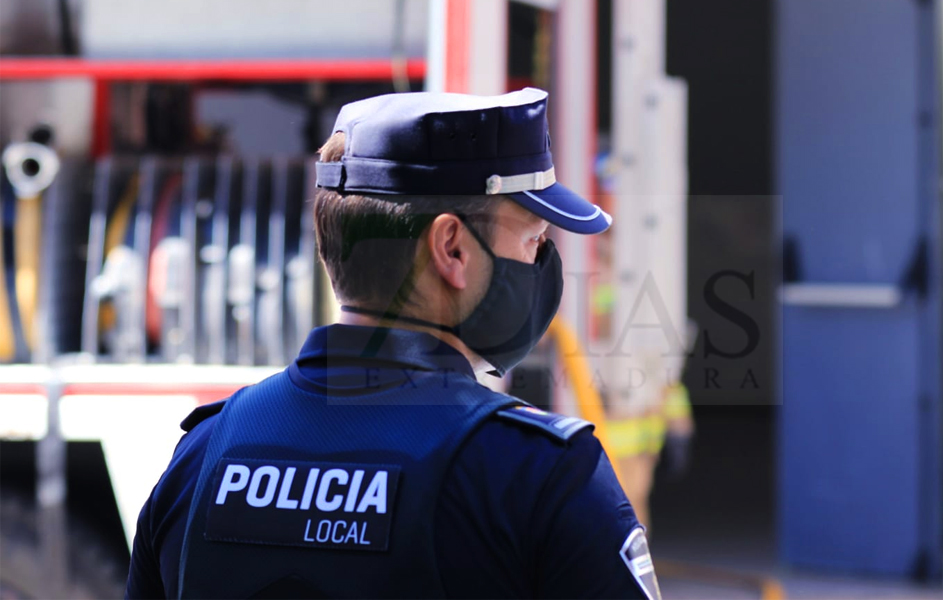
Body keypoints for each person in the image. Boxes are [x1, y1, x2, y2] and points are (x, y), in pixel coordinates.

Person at [125, 88, 662, 600]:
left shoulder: (202, 456)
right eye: (532, 240)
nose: (541, 265)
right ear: (451, 247)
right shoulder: (536, 475)